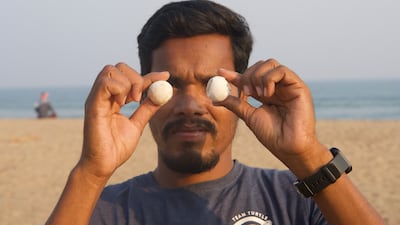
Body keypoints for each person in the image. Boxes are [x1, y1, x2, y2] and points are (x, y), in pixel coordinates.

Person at [46, 1, 386, 225]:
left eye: (211, 83)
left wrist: (309, 155)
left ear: (241, 88)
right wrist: (90, 174)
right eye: (172, 84)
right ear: (145, 89)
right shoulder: (99, 209)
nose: (190, 104)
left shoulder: (300, 198)